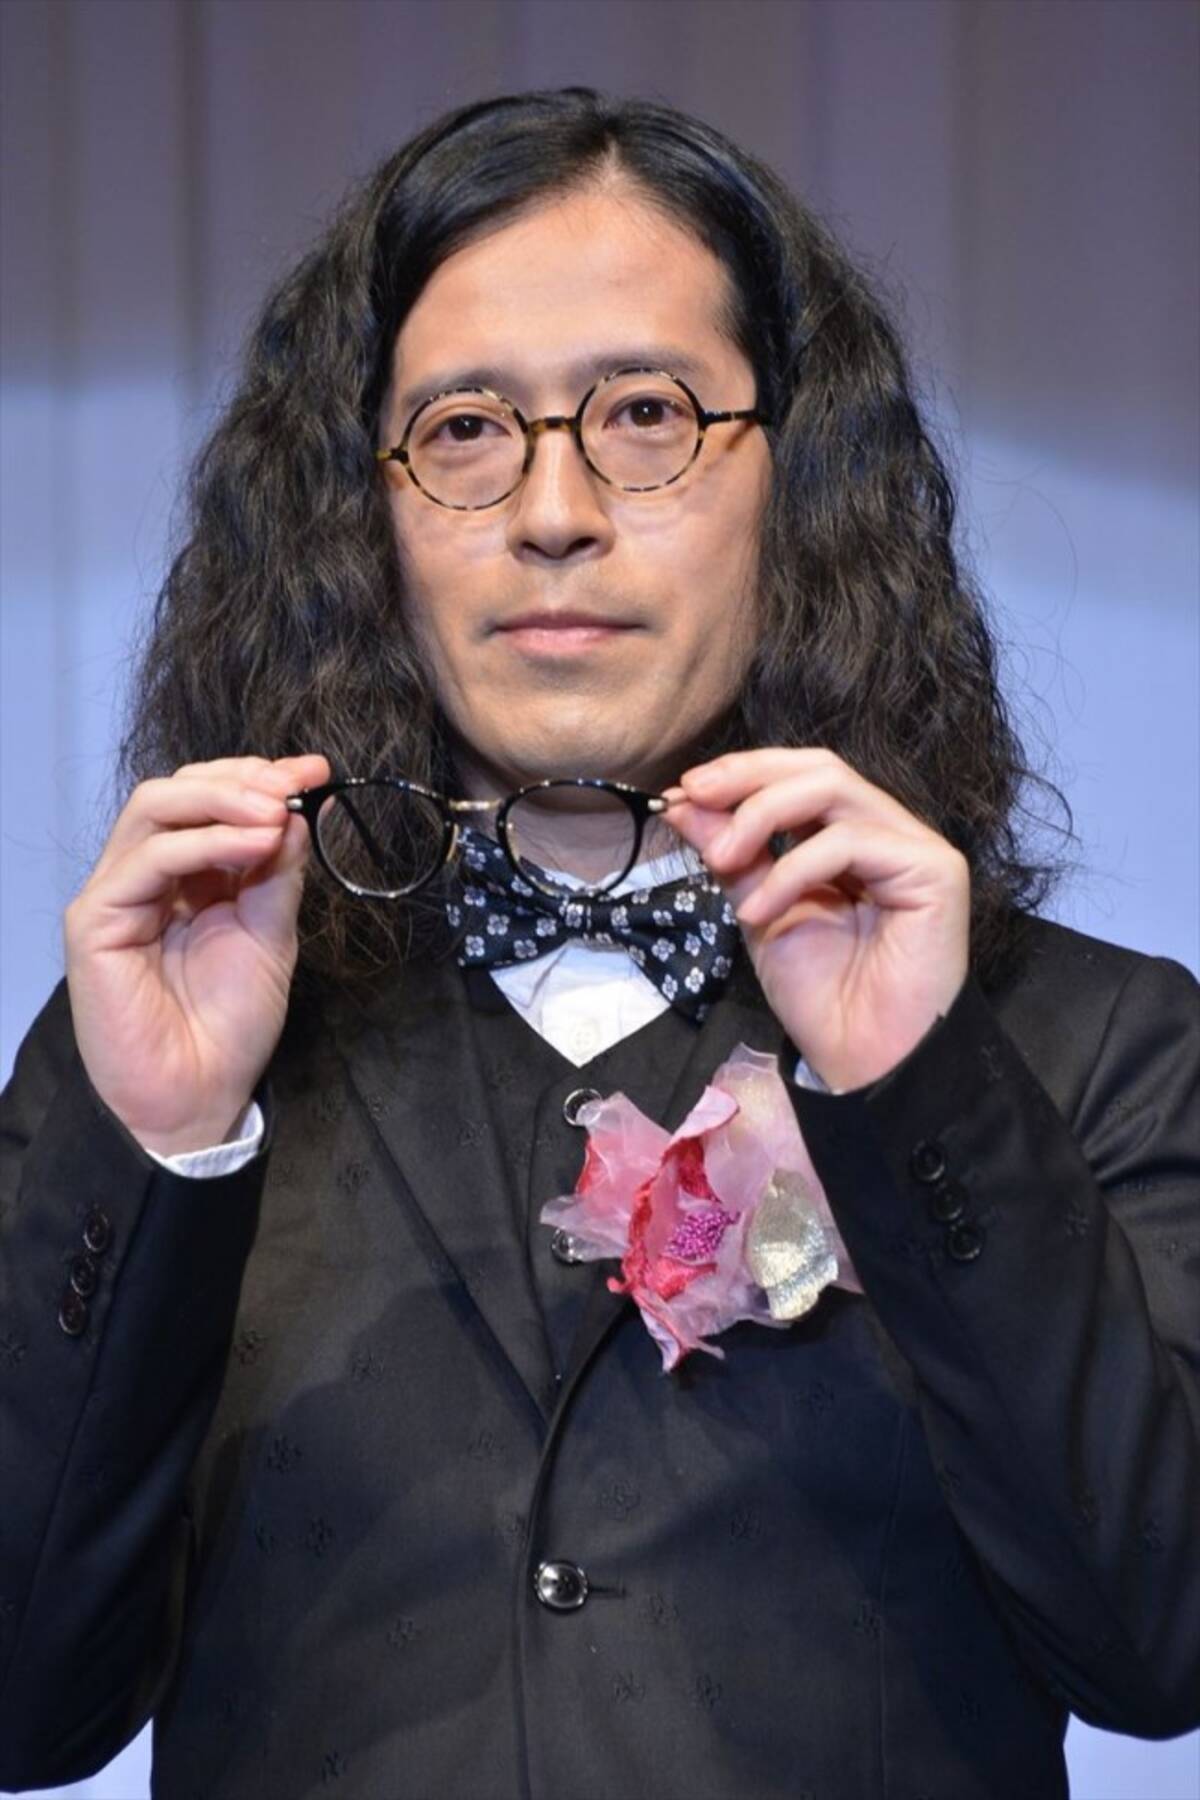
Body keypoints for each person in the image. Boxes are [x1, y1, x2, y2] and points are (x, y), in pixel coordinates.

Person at [1, 87, 1197, 1800]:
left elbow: (1160, 1653)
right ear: (365, 512)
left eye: (646, 415)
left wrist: (916, 1090)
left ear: (801, 480)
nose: (552, 509)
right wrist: (159, 1152)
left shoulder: (1092, 1042)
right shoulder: (180, 1049)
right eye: (466, 429)